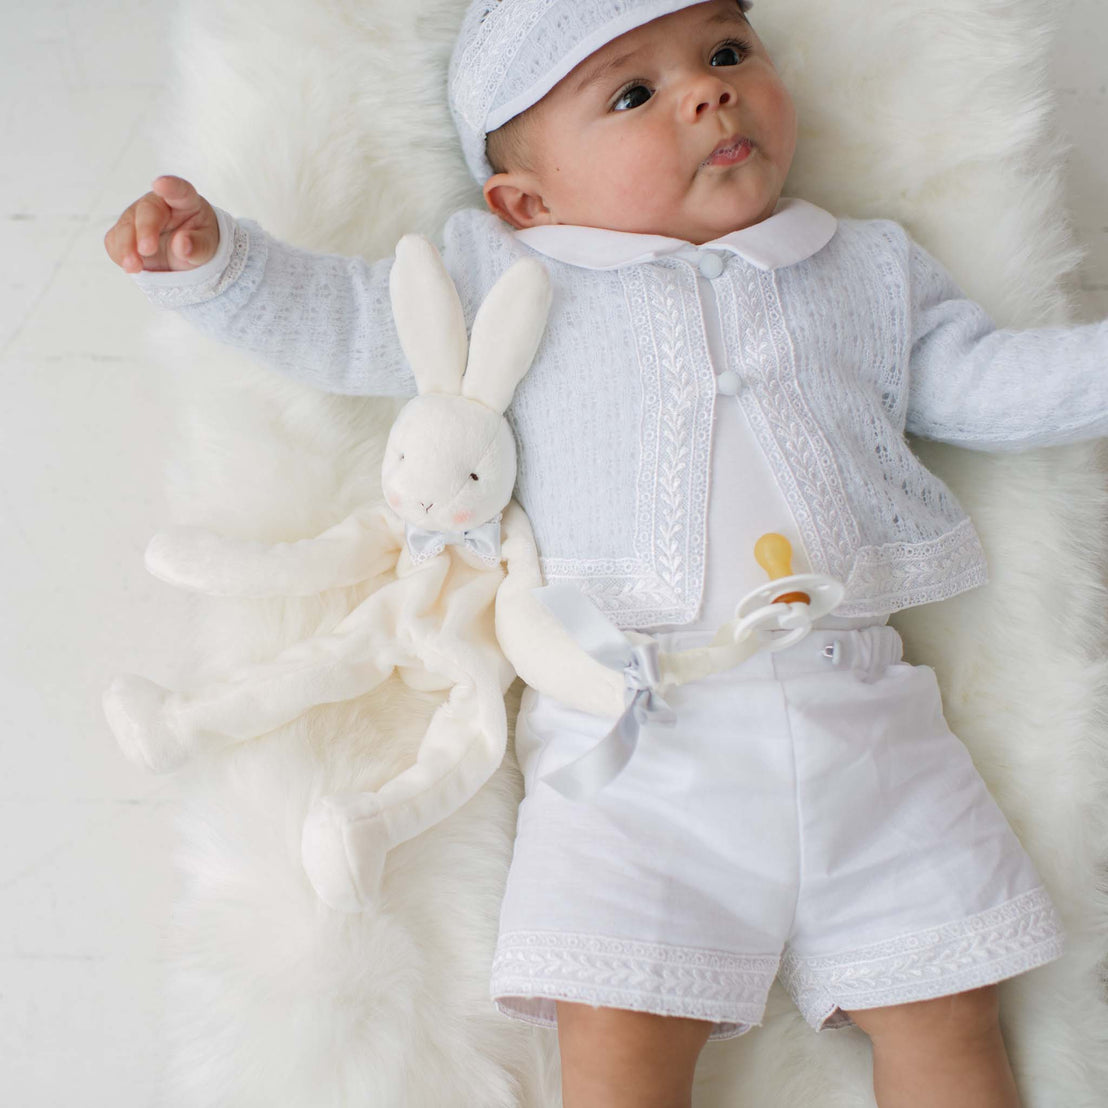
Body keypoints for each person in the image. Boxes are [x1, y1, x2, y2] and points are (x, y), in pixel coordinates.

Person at [104, 1, 1107, 1104]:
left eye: (726, 53)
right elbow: (352, 320)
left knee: (947, 1010)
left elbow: (983, 381)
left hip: (866, 722)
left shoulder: (862, 267)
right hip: (631, 741)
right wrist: (217, 264)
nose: (707, 91)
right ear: (526, 200)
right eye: (632, 93)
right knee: (619, 1031)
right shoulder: (513, 280)